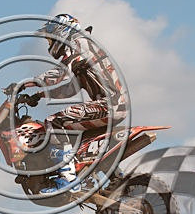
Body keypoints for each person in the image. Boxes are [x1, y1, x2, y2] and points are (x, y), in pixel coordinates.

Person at [13, 13, 128, 193]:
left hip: (109, 105)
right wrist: (40, 95)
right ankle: (116, 179)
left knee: (54, 121)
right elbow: (71, 88)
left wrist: (29, 82)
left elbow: (60, 74)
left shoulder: (79, 43)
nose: (49, 44)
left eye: (50, 39)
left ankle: (68, 180)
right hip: (112, 105)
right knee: (81, 138)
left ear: (61, 32)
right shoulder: (82, 52)